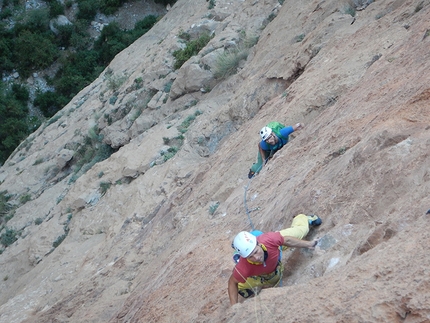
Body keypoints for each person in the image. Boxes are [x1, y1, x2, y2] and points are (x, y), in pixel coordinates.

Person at [228, 214, 321, 305]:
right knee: (241, 285)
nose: (256, 258)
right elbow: (232, 282)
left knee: (302, 230)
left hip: (276, 247)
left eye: (256, 252)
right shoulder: (243, 267)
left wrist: (309, 244)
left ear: (259, 243)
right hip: (267, 272)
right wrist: (234, 307)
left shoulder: (269, 239)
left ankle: (302, 218)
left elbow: (287, 240)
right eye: (250, 256)